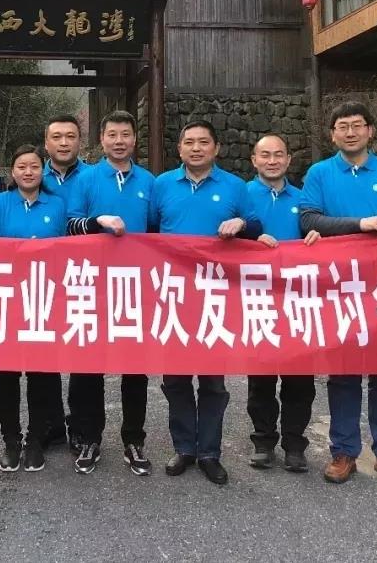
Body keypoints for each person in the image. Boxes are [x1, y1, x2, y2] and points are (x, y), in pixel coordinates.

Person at [298, 101, 377, 488]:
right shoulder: (319, 173)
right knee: (343, 374)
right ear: (332, 134)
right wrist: (359, 224)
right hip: (340, 287)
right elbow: (308, 219)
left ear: (370, 131)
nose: (350, 132)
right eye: (342, 126)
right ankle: (344, 451)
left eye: (357, 125)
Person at [150, 120, 262, 485]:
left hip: (217, 298)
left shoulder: (235, 186)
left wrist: (241, 224)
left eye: (203, 142)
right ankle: (184, 447)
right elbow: (150, 234)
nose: (196, 148)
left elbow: (256, 227)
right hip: (174, 296)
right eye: (189, 142)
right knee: (176, 379)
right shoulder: (162, 185)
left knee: (213, 382)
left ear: (216, 148)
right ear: (179, 148)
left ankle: (210, 452)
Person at [65, 110, 154, 476]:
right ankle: (89, 437)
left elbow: (160, 233)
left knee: (136, 369)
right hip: (92, 286)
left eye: (125, 134)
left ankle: (134, 439)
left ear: (135, 139)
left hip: (136, 287)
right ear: (101, 140)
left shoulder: (150, 181)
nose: (119, 141)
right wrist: (97, 222)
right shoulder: (85, 180)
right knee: (90, 367)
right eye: (112, 134)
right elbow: (69, 225)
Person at [0, 145, 66, 473]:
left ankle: (36, 440)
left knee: (41, 373)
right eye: (22, 167)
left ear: (43, 171)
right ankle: (11, 440)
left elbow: (71, 249)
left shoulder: (57, 205)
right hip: (8, 300)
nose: (28, 172)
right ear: (12, 172)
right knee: (7, 373)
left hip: (45, 299)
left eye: (34, 166)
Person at [245, 134, 320, 474]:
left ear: (289, 160)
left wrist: (319, 238)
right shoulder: (241, 195)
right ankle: (263, 442)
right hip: (256, 297)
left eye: (279, 155)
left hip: (298, 299)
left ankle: (294, 444)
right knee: (260, 377)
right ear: (254, 160)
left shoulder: (306, 199)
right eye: (265, 155)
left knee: (300, 379)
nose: (272, 161)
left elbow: (321, 232)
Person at [40, 114, 89, 449]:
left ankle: (80, 427)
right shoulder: (31, 173)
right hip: (41, 279)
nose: (63, 142)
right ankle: (51, 424)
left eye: (70, 136)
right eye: (56, 136)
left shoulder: (94, 176)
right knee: (44, 355)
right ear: (46, 143)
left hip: (84, 277)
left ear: (79, 141)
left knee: (82, 355)